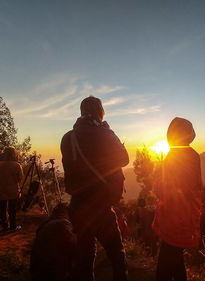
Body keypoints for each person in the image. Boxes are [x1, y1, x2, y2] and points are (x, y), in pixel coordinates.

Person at [60, 96, 129, 281]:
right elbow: (124, 159)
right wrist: (107, 130)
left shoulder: (68, 137)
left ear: (81, 112)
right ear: (100, 111)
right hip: (101, 205)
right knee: (116, 254)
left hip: (77, 205)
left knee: (85, 256)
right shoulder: (106, 134)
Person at [152, 117, 202, 281]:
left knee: (165, 264)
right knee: (176, 256)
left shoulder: (173, 157)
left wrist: (156, 178)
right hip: (185, 216)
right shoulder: (194, 156)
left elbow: (164, 190)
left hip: (173, 217)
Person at [30, 203, 76, 281]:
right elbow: (74, 250)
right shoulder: (65, 225)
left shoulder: (44, 225)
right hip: (54, 273)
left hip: (36, 272)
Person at [0, 146, 23, 231]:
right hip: (13, 190)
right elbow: (20, 178)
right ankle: (13, 226)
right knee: (12, 209)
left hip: (0, 190)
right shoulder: (17, 165)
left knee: (2, 208)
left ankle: (5, 226)